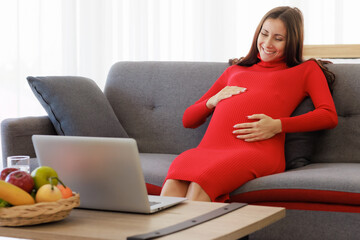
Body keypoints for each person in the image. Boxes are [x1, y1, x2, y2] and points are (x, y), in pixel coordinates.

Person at [160, 6, 338, 202]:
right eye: (264, 34)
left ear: (292, 42)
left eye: (278, 39)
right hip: (208, 149)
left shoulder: (306, 70)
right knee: (172, 186)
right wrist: (212, 101)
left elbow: (328, 115)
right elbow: (188, 119)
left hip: (257, 151)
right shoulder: (235, 70)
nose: (268, 43)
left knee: (199, 185)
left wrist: (277, 125)